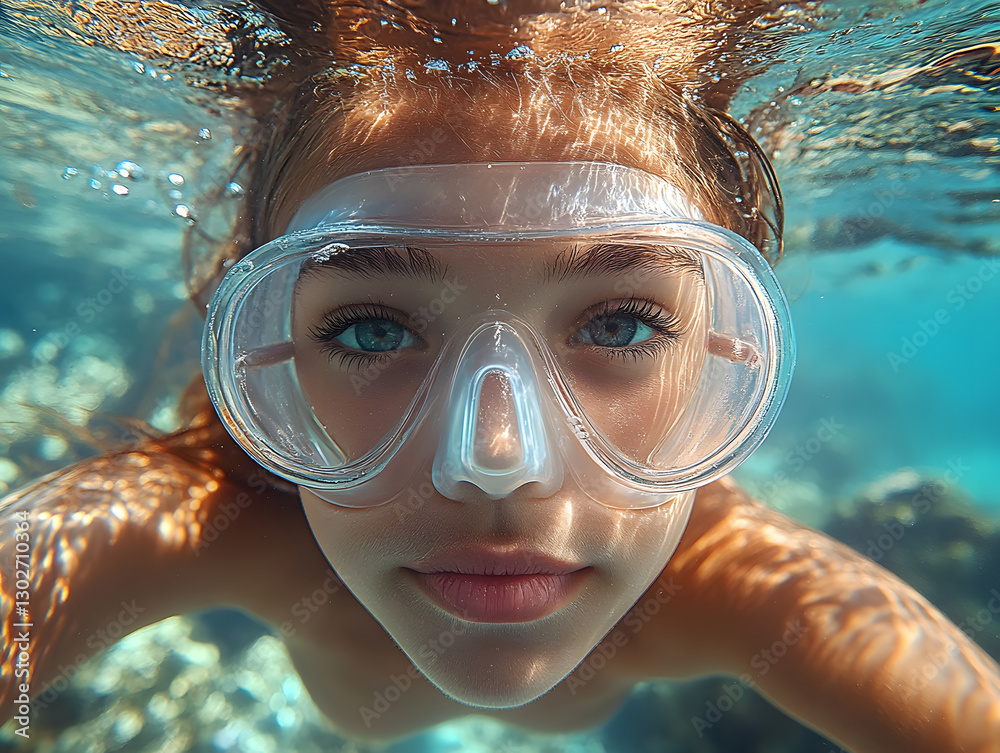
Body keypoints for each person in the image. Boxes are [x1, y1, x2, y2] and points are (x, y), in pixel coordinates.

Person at [2, 1, 999, 751]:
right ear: (265, 353)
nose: (496, 461)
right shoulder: (222, 520)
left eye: (618, 324)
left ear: (726, 354)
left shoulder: (740, 585)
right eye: (371, 332)